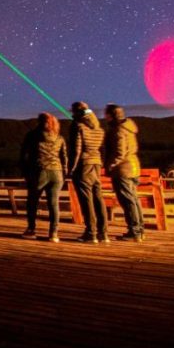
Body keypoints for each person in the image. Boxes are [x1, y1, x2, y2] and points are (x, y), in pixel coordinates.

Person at [19, 112, 68, 242]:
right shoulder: (59, 137)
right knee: (53, 203)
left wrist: (25, 172)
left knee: (33, 201)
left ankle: (31, 229)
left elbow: (24, 155)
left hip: (39, 171)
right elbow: (64, 157)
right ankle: (54, 233)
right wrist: (65, 171)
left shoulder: (32, 135)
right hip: (57, 173)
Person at [67, 101, 108, 244]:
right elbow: (103, 149)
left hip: (84, 165)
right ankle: (103, 233)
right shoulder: (99, 128)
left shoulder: (78, 126)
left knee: (86, 200)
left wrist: (71, 168)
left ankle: (91, 233)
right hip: (96, 164)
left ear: (76, 112)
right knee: (98, 198)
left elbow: (76, 150)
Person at [104, 104, 145, 242]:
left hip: (123, 169)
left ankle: (134, 231)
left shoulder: (118, 130)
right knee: (134, 200)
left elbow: (119, 152)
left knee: (128, 201)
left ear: (112, 115)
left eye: (107, 114)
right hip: (133, 167)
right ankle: (139, 229)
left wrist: (110, 165)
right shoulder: (129, 128)